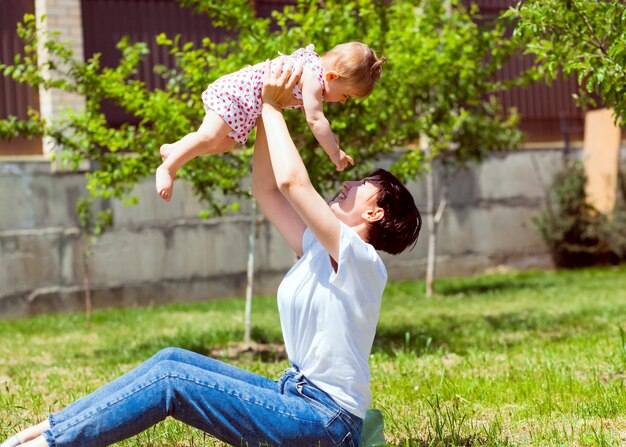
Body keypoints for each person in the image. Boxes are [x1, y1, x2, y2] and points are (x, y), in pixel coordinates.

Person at [2, 60, 421, 447]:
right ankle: (48, 432)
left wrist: (275, 110)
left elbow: (295, 184)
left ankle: (50, 444)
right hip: (295, 395)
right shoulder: (319, 248)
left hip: (326, 423)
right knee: (171, 359)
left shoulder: (360, 260)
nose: (347, 185)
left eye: (361, 185)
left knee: (171, 380)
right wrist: (263, 103)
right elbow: (268, 189)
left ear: (375, 211)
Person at [155, 41, 386, 202]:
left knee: (225, 144)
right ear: (332, 77)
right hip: (236, 95)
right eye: (345, 96)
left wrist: (332, 140)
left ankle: (175, 150)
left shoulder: (313, 66)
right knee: (209, 137)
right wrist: (334, 153)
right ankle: (168, 167)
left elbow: (321, 127)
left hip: (246, 106)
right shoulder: (313, 78)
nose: (343, 102)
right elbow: (316, 120)